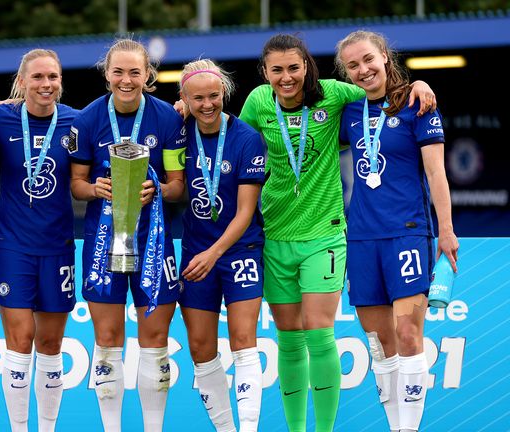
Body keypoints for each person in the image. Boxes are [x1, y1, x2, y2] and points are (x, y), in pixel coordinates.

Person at [238, 33, 436, 432]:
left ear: (308, 67)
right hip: (275, 233)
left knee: (319, 330)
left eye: (294, 67)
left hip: (326, 232)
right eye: (277, 70)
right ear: (265, 73)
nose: (287, 77)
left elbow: (381, 92)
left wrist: (418, 83)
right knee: (289, 337)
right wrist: (185, 110)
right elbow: (231, 141)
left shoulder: (334, 93)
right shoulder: (257, 102)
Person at [335, 30, 458, 432]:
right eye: (352, 65)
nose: (363, 69)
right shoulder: (349, 110)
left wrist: (446, 230)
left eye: (369, 59)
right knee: (379, 344)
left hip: (407, 233)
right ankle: (395, 425)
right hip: (361, 239)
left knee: (408, 333)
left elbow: (437, 173)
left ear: (385, 56)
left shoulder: (417, 103)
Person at [68, 38, 186, 432]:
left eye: (135, 71)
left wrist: (160, 190)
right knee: (107, 336)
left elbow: (177, 185)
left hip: (154, 242)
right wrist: (94, 190)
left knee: (155, 337)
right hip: (104, 244)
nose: (126, 79)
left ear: (148, 75)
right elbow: (77, 184)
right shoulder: (87, 119)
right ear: (106, 75)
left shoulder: (167, 118)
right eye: (118, 71)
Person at [0, 49, 78, 432]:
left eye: (52, 77)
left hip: (57, 246)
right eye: (37, 77)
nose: (46, 84)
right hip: (12, 245)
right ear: (21, 82)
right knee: (21, 341)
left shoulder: (77, 121)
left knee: (52, 345)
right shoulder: (0, 118)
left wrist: (180, 108)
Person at [177, 59, 266, 432]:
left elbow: (245, 212)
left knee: (244, 341)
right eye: (197, 98)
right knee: (200, 348)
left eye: (214, 96)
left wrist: (213, 254)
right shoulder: (177, 131)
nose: (207, 104)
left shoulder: (247, 138)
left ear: (225, 93)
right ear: (183, 98)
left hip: (239, 250)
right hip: (197, 253)